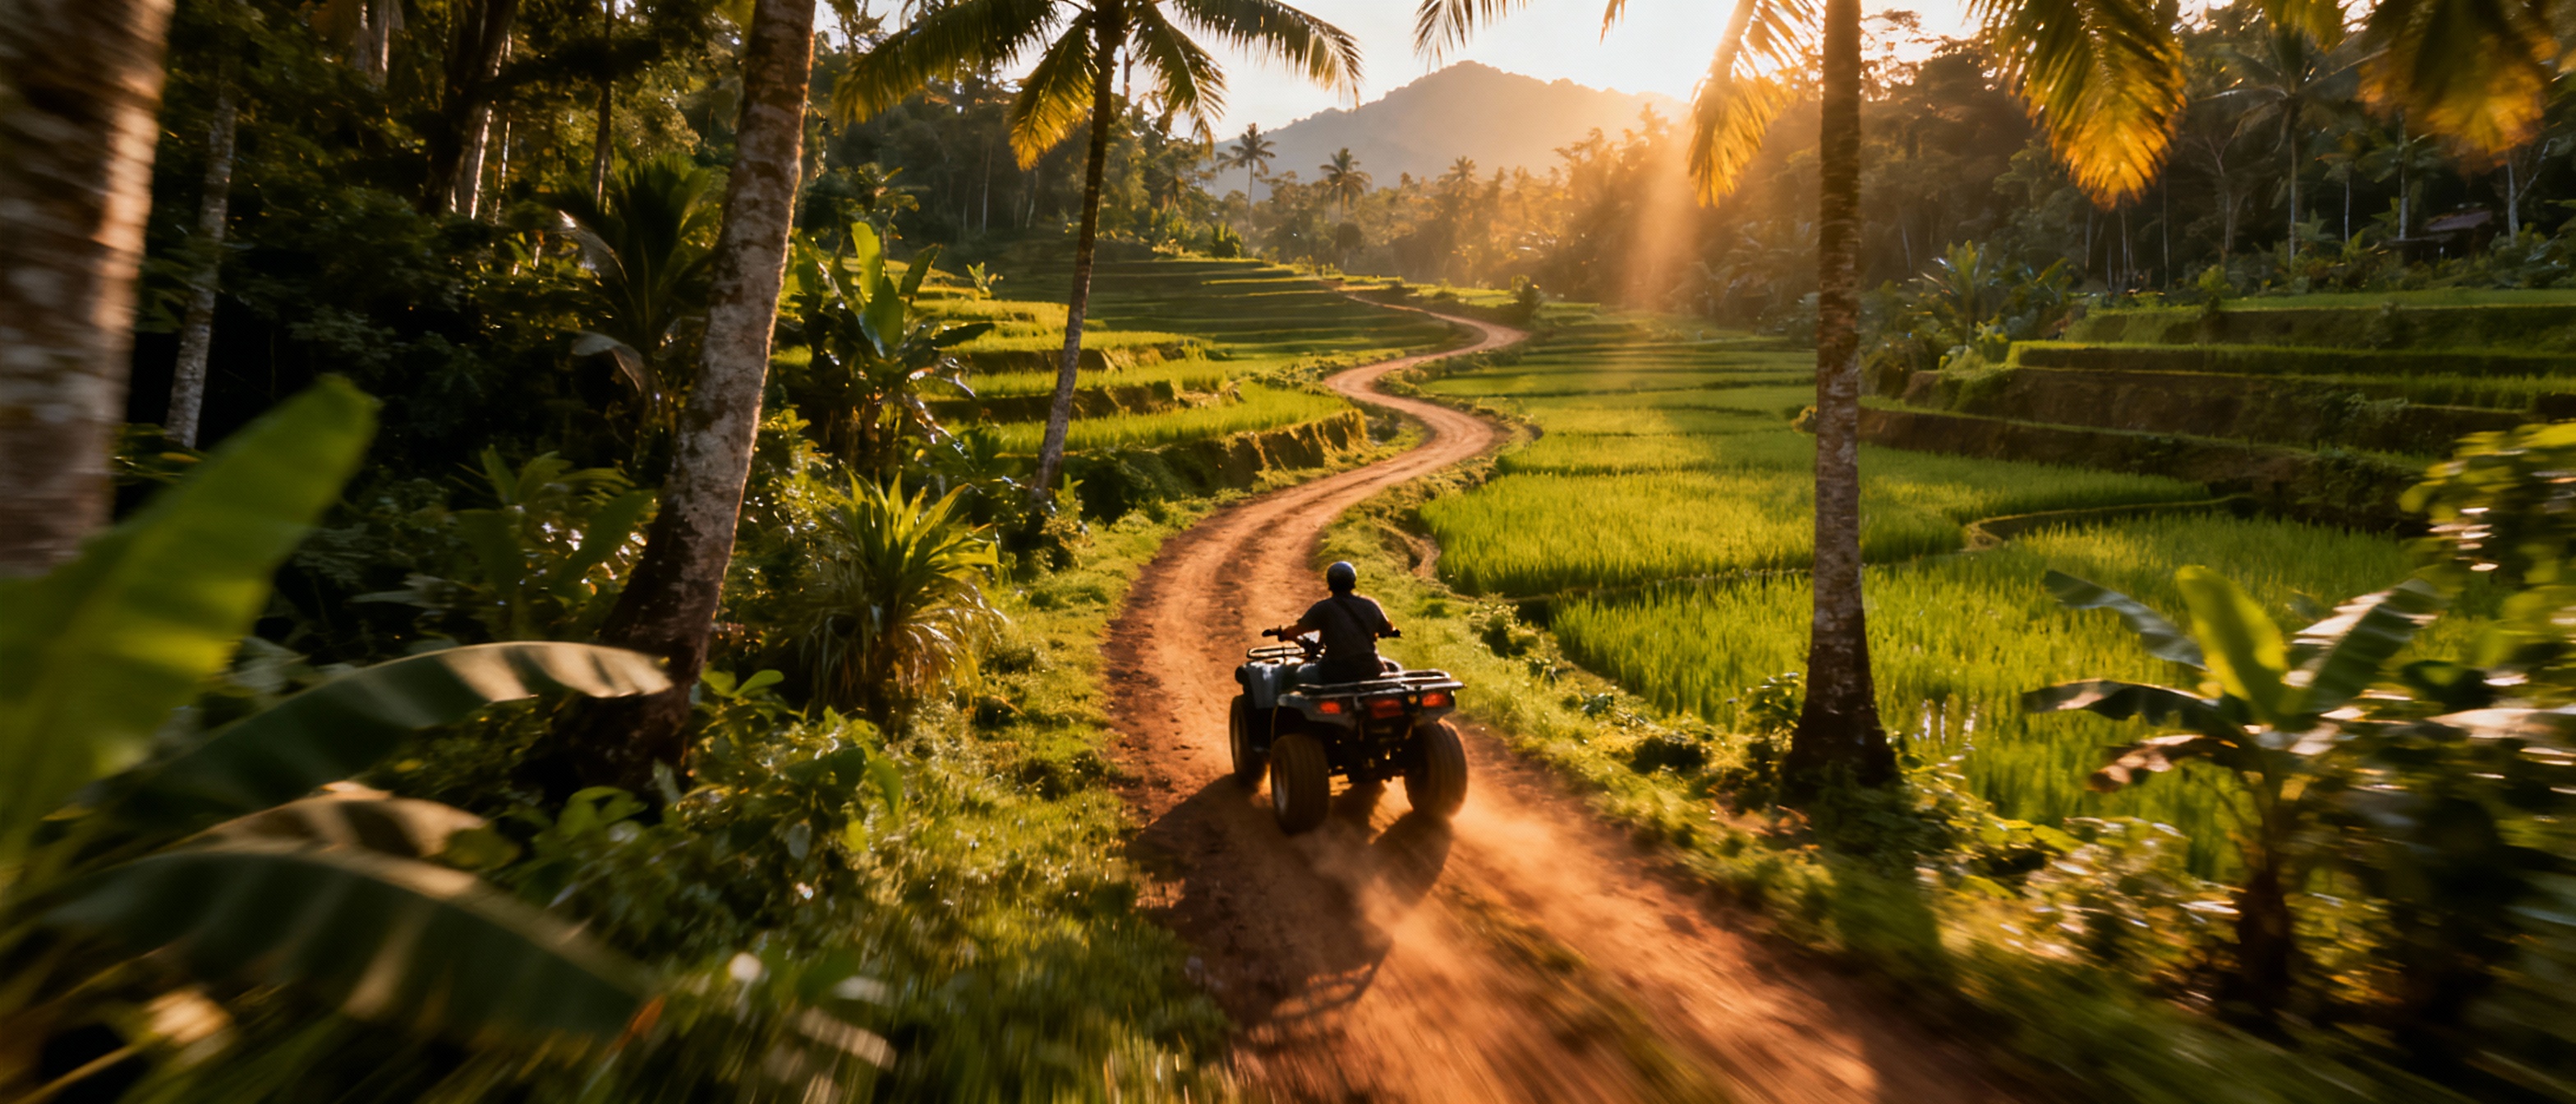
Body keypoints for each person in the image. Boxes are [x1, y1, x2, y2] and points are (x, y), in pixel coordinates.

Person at [1269, 560, 1401, 683]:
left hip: (1335, 672)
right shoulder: (1370, 606)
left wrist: (1284, 634)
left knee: (1299, 674)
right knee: (1395, 667)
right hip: (1371, 669)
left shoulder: (1323, 608)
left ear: (1330, 582)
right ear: (1353, 581)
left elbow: (1297, 630)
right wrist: (1392, 632)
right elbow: (1388, 629)